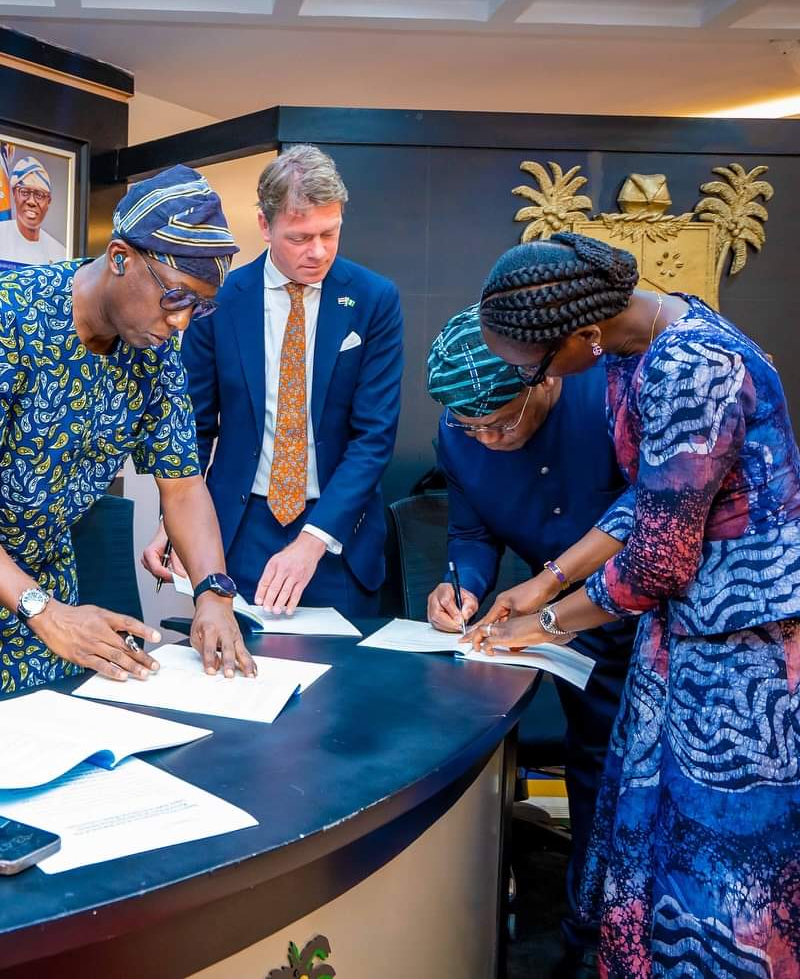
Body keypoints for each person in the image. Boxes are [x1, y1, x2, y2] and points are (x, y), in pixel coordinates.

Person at [470, 232, 800, 976]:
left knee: (719, 868)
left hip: (736, 654)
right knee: (649, 837)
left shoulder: (692, 368)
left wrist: (542, 624)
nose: (527, 378)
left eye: (532, 364)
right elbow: (650, 496)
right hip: (679, 637)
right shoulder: (635, 340)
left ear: (583, 332)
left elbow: (658, 559)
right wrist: (547, 578)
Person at [0, 165, 254, 704]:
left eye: (200, 305)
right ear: (120, 258)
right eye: (176, 297)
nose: (183, 322)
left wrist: (214, 593)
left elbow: (184, 485)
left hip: (47, 593)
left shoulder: (154, 355)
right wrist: (42, 611)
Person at [424, 305, 636, 976]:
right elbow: (471, 532)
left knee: (645, 798)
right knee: (592, 774)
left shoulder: (607, 394)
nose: (485, 439)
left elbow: (656, 513)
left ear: (542, 380)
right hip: (568, 644)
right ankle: (586, 939)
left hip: (656, 621)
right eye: (471, 426)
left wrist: (548, 596)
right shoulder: (458, 434)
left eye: (502, 421)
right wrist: (460, 584)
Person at [144, 146, 402, 617]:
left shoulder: (374, 299)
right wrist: (176, 521)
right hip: (239, 529)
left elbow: (374, 438)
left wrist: (313, 541)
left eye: (330, 233)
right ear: (264, 226)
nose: (318, 251)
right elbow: (194, 427)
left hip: (337, 534)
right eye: (300, 237)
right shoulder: (219, 300)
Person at [0, 155, 67, 271]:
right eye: (25, 192)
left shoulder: (60, 254)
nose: (31, 201)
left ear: (49, 201)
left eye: (39, 195)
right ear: (14, 194)